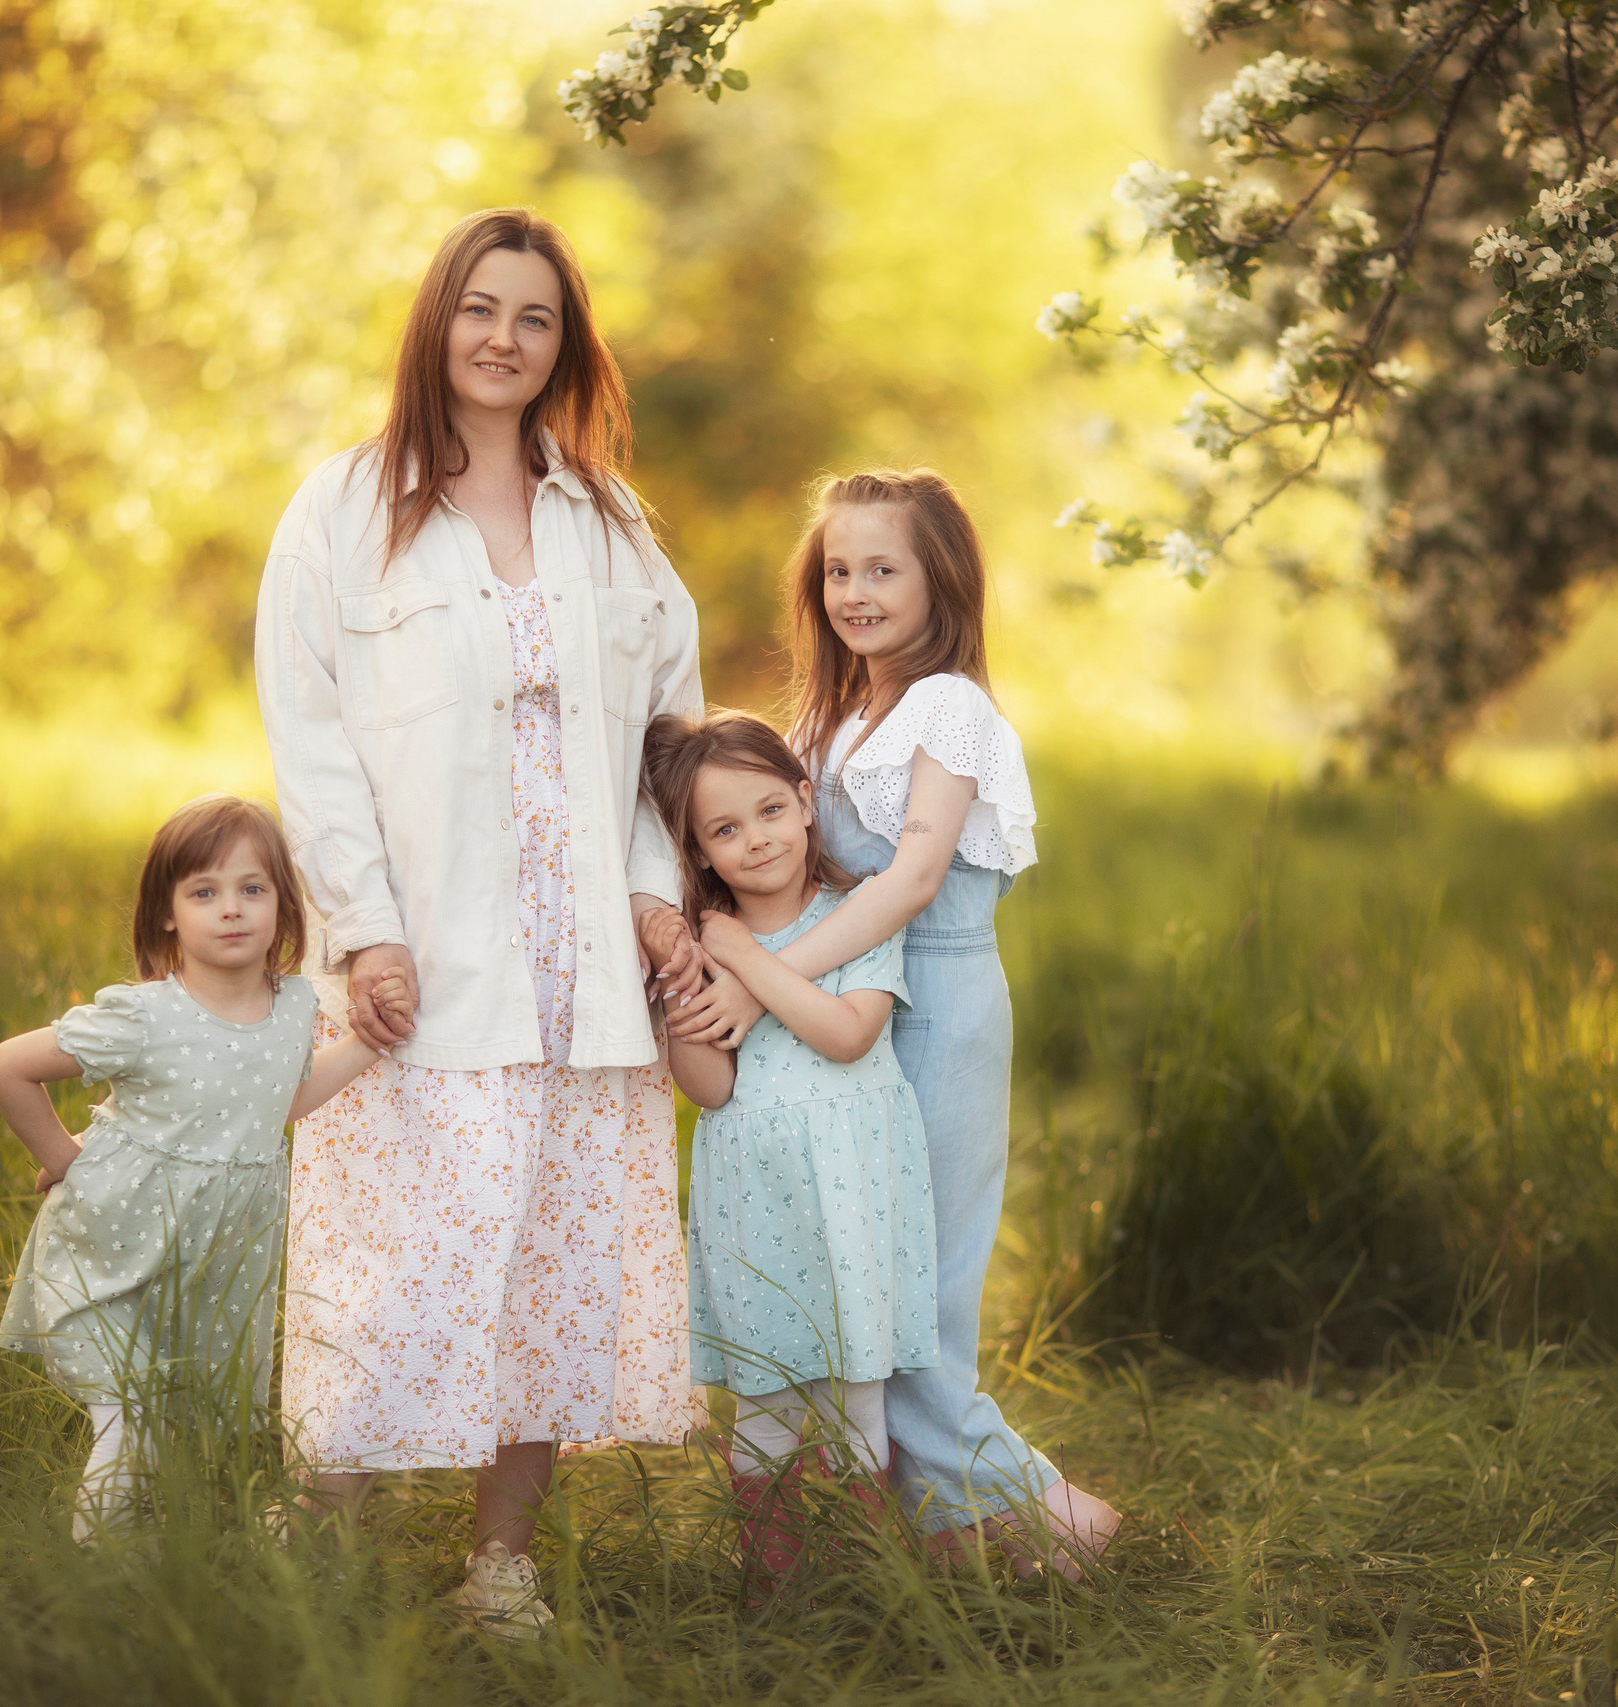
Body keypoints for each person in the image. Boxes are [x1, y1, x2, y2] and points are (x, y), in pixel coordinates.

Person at [253, 207, 704, 1638]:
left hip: (584, 974)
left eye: (537, 318)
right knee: (387, 1266)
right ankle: (318, 1544)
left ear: (565, 345)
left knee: (550, 1275)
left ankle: (500, 1568)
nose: (505, 340)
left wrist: (650, 875)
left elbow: (673, 738)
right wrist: (362, 928)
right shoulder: (343, 506)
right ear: (435, 321)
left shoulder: (611, 520)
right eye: (481, 309)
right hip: (423, 963)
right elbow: (308, 737)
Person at [671, 469, 1123, 1576]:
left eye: (885, 568)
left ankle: (1051, 1530)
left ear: (941, 579)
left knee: (914, 1295)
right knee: (857, 1276)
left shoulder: (949, 708)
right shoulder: (829, 716)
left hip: (934, 1003)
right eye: (838, 570)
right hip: (829, 1006)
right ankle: (909, 1532)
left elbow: (913, 879)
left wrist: (759, 971)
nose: (857, 591)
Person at [0, 794, 389, 1543]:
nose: (231, 909)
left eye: (252, 888)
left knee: (171, 1423)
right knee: (127, 1420)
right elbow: (8, 1065)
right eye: (204, 891)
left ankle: (163, 1556)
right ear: (167, 912)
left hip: (211, 1266)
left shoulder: (294, 1005)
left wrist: (367, 1045)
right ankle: (99, 1583)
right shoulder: (146, 1016)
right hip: (110, 1253)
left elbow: (281, 1101)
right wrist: (61, 1156)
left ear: (281, 906)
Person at [641, 711, 941, 1595]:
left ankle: (864, 1585)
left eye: (771, 810)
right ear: (699, 852)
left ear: (807, 802)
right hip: (756, 1199)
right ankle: (774, 1590)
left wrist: (744, 956)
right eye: (725, 830)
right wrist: (683, 980)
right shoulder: (706, 940)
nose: (756, 839)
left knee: (855, 1390)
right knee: (768, 1398)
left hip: (851, 1193)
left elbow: (848, 1034)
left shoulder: (858, 915)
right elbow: (711, 1087)